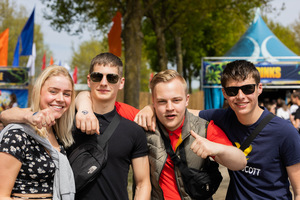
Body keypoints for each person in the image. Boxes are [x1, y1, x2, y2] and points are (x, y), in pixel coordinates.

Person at [136, 60, 300, 199]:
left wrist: (216, 147)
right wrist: (151, 107)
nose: (241, 96)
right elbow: (181, 111)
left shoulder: (285, 132)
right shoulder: (221, 118)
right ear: (224, 94)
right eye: (232, 91)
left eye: (248, 88)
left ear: (259, 88)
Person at [75, 69, 246, 199]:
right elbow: (91, 97)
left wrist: (216, 149)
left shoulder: (204, 129)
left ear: (187, 100)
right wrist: (84, 110)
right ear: (153, 102)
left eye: (176, 100)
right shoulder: (141, 120)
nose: (170, 107)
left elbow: (240, 162)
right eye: (162, 101)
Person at [1, 53, 151, 200]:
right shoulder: (64, 123)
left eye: (112, 78)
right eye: (97, 76)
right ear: (89, 80)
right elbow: (7, 116)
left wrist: (151, 109)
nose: (104, 82)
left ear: (121, 82)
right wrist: (28, 116)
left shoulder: (133, 130)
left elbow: (143, 184)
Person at [0, 65, 76, 200]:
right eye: (53, 91)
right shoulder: (17, 135)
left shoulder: (59, 134)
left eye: (66, 94)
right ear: (38, 92)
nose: (60, 98)